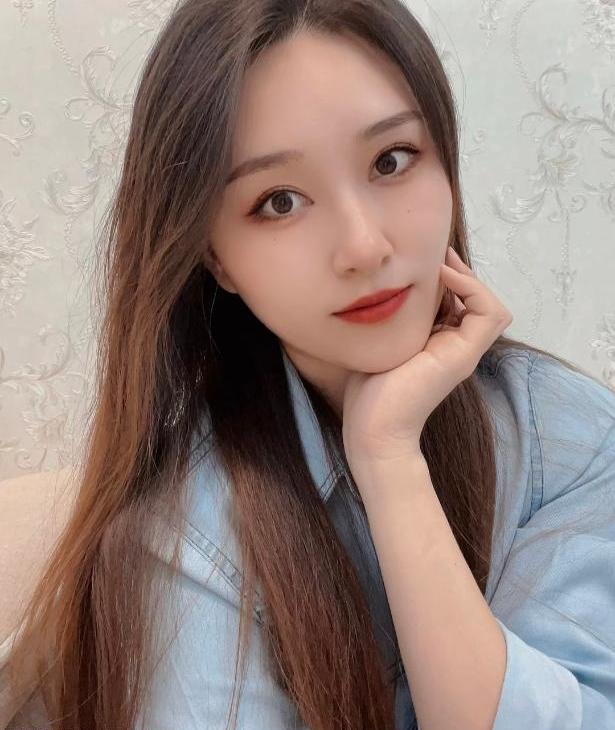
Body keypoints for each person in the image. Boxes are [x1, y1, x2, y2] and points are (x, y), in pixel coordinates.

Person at [1, 0, 614, 728]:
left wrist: (388, 462)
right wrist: (385, 452)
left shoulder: (563, 433)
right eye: (279, 201)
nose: (363, 246)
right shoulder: (184, 539)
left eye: (391, 160)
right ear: (215, 258)